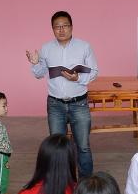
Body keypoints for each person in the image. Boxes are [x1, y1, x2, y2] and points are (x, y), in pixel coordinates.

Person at [26, 11, 99, 177]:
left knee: (83, 146)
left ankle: (85, 183)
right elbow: (39, 74)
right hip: (55, 105)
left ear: (71, 27)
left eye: (65, 26)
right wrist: (35, 63)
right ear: (52, 29)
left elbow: (94, 71)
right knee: (57, 147)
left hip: (79, 103)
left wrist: (77, 78)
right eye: (57, 27)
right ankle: (61, 182)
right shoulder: (46, 48)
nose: (61, 30)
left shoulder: (84, 47)